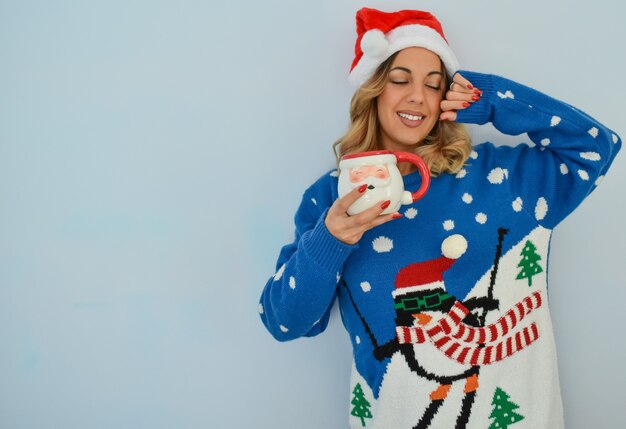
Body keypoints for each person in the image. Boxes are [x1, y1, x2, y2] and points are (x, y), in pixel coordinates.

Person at [258, 7, 621, 429]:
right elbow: (285, 321)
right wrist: (332, 239)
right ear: (373, 89)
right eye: (400, 80)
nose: (418, 96)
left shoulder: (504, 178)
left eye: (435, 85)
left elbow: (596, 146)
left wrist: (488, 100)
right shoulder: (331, 199)